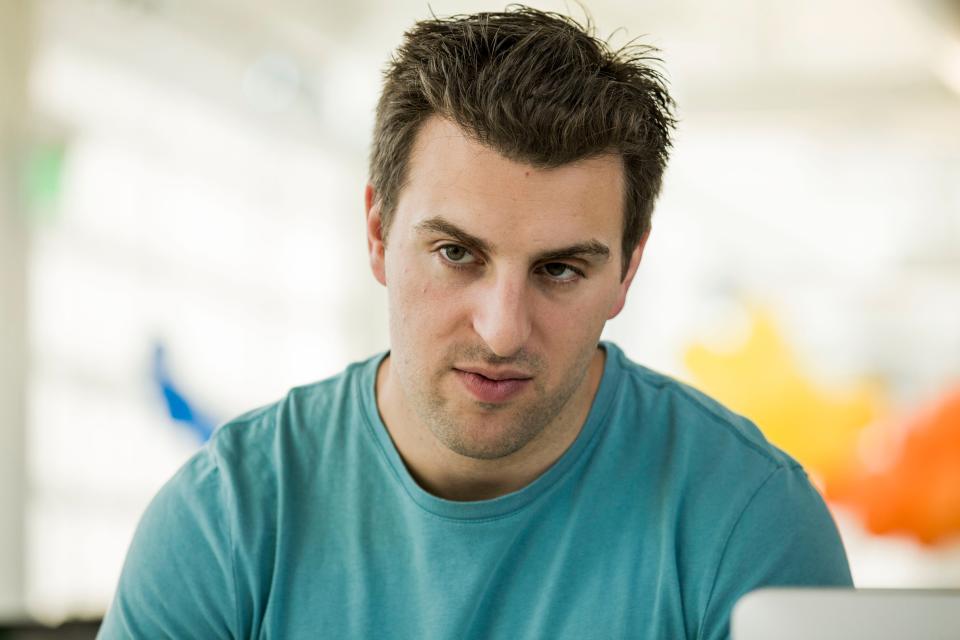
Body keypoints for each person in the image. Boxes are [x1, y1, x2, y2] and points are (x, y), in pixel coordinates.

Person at [98, 7, 852, 639]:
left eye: (560, 269)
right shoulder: (224, 523)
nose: (501, 331)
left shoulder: (751, 521)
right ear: (376, 232)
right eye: (456, 253)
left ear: (626, 271)